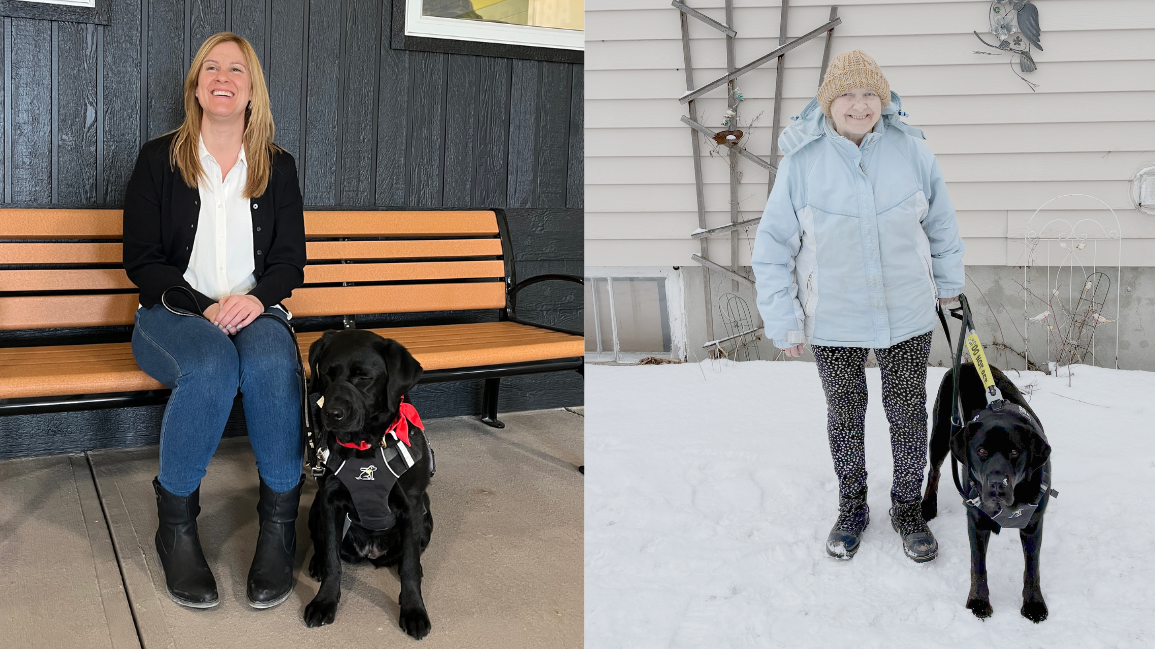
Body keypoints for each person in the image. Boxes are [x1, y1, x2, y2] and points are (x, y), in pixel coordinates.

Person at [751, 50, 965, 562]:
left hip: (907, 311)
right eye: (847, 94)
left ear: (883, 100)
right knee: (845, 414)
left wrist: (949, 283)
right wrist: (784, 319)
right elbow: (772, 246)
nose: (859, 104)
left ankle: (907, 507)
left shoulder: (912, 152)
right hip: (835, 317)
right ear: (828, 102)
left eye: (870, 93)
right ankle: (852, 507)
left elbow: (941, 224)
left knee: (907, 413)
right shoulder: (802, 162)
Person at [123, 32, 307, 608]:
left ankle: (279, 527)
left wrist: (256, 300)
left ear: (252, 91)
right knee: (209, 363)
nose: (222, 77)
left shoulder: (277, 165)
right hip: (171, 316)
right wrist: (202, 307)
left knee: (275, 362)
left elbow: (289, 261)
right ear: (197, 86)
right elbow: (142, 260)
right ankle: (175, 526)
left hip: (257, 311)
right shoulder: (160, 158)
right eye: (211, 68)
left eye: (236, 69)